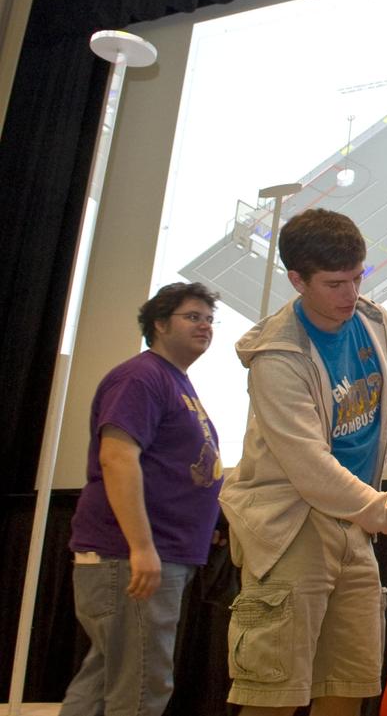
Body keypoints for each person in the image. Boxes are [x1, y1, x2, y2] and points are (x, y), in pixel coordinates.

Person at [219, 208, 387, 716]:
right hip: (290, 528)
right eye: (334, 283)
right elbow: (311, 469)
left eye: (357, 277)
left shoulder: (372, 319)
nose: (349, 294)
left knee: (349, 683)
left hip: (354, 524)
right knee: (273, 695)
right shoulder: (276, 357)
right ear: (297, 280)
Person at [62, 282, 224, 716]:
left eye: (209, 319)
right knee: (139, 688)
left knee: (104, 680)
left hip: (154, 555)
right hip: (129, 557)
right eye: (193, 316)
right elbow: (116, 458)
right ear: (159, 323)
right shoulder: (142, 376)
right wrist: (141, 546)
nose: (205, 326)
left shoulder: (175, 381)